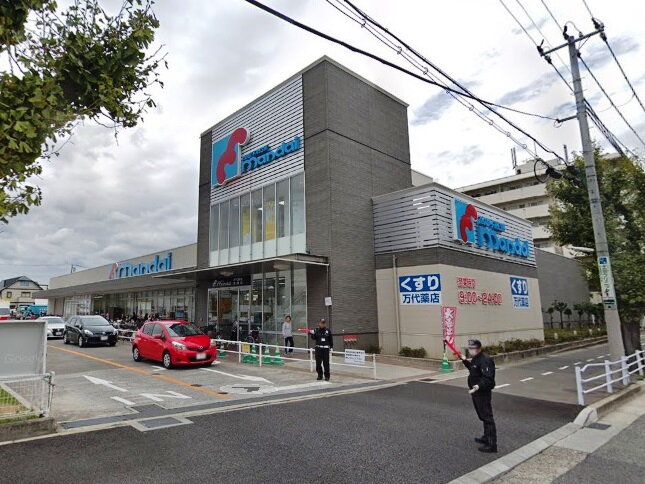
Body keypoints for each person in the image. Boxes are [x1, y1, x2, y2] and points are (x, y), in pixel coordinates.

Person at [460, 339, 497, 453]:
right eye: (470, 348)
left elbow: (488, 378)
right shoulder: (476, 359)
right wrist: (465, 360)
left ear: (479, 348)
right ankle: (486, 437)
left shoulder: (485, 360)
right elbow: (473, 369)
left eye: (473, 348)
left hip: (482, 392)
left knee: (487, 417)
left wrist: (478, 386)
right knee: (482, 416)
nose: (471, 350)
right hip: (476, 392)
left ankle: (492, 444)